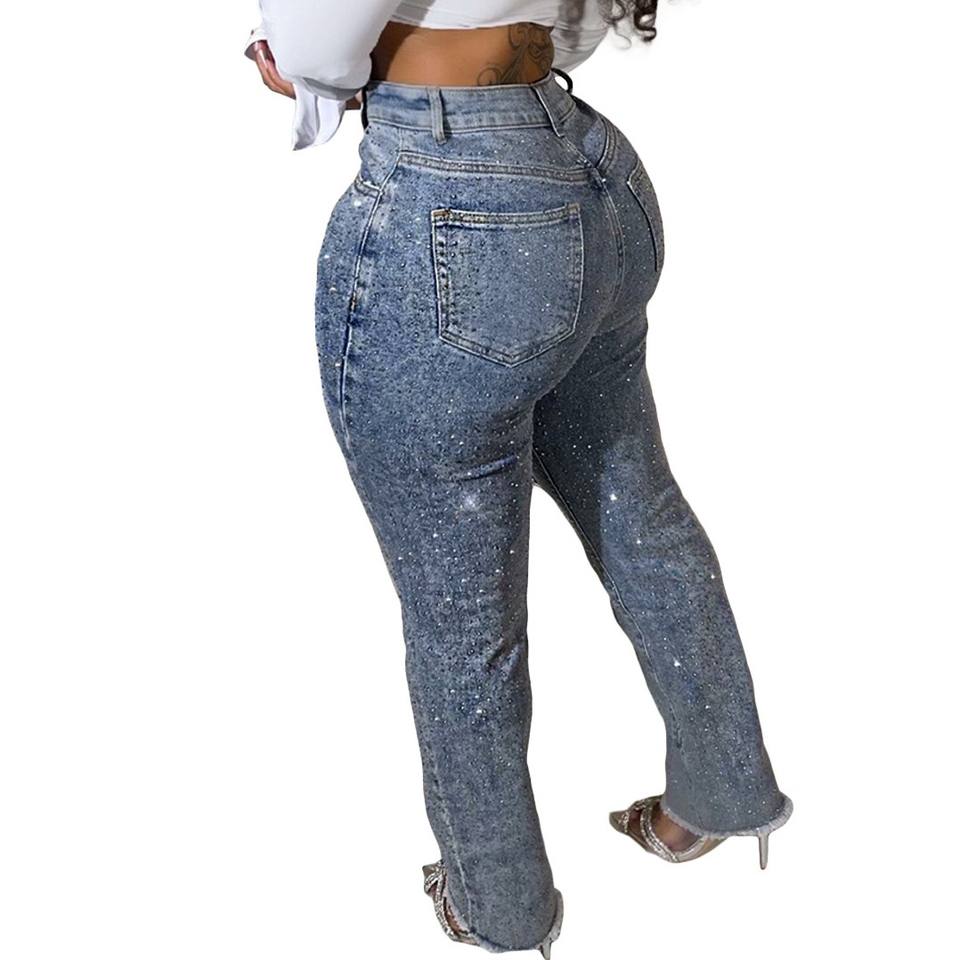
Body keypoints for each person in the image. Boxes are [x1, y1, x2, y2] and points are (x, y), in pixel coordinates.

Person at [244, 3, 793, 956]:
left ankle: (497, 906)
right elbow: (566, 28)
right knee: (638, 511)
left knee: (463, 621)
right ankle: (725, 793)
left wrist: (302, 66)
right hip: (586, 168)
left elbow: (316, 47)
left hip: (457, 204)